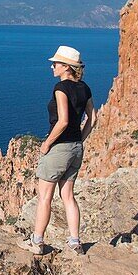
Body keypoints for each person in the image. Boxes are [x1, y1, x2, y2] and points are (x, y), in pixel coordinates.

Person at [19, 45, 96, 255]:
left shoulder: (61, 88)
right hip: (76, 148)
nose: (52, 66)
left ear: (66, 67)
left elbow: (62, 121)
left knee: (45, 197)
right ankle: (75, 242)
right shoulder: (85, 88)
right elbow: (93, 118)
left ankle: (37, 242)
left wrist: (47, 144)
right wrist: (79, 139)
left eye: (56, 63)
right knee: (68, 196)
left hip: (59, 148)